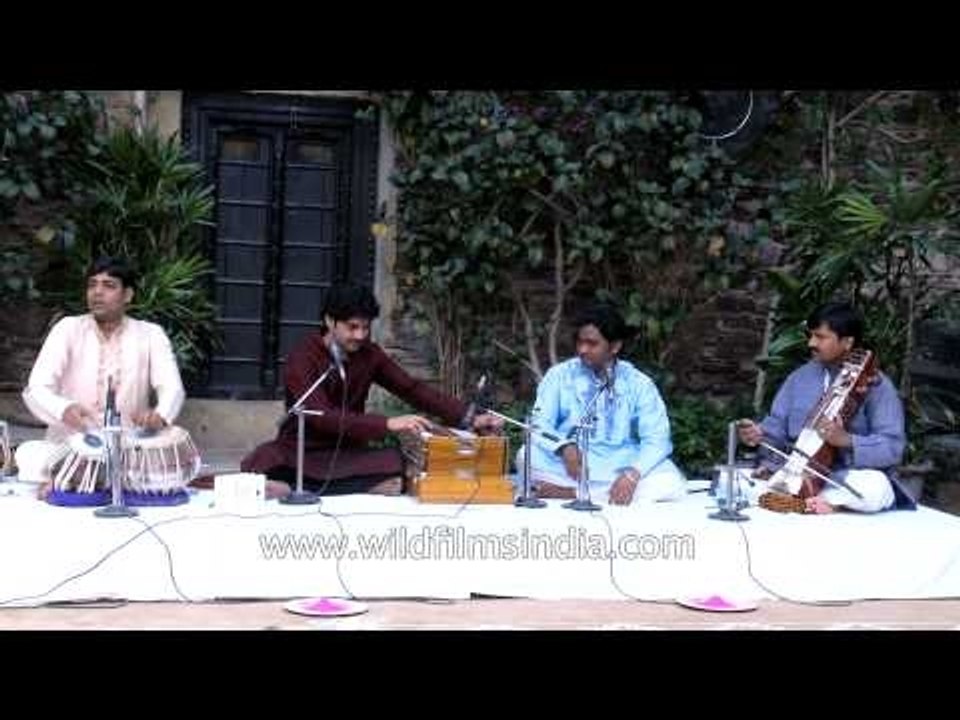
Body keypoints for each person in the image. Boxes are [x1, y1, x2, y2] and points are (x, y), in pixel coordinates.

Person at [241, 282, 502, 495]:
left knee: (394, 462)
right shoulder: (303, 356)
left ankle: (292, 489)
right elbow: (321, 417)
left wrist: (471, 417)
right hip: (301, 451)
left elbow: (411, 388)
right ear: (330, 321)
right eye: (352, 327)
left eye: (365, 327)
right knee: (263, 460)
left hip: (348, 452)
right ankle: (338, 486)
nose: (360, 336)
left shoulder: (370, 355)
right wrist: (387, 424)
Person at [19, 256, 186, 497]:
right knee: (33, 459)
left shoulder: (151, 335)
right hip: (69, 450)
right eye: (92, 284)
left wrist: (159, 416)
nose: (97, 292)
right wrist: (63, 408)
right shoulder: (68, 329)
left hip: (128, 454)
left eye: (108, 285)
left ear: (127, 295)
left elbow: (172, 388)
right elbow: (37, 387)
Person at [737, 301, 915, 514]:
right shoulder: (799, 378)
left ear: (847, 342)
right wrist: (759, 434)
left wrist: (846, 440)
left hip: (845, 478)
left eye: (820, 337)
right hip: (795, 474)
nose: (811, 343)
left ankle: (829, 503)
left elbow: (892, 447)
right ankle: (810, 501)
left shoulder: (877, 385)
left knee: (874, 487)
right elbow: (776, 427)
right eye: (811, 335)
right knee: (738, 480)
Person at [518, 302, 687, 505]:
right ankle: (597, 494)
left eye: (592, 343)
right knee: (526, 455)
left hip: (620, 464)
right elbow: (539, 423)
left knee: (671, 483)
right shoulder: (559, 375)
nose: (582, 349)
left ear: (615, 346)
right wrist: (564, 447)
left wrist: (632, 475)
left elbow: (658, 439)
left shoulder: (639, 383)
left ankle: (574, 494)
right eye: (579, 342)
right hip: (571, 464)